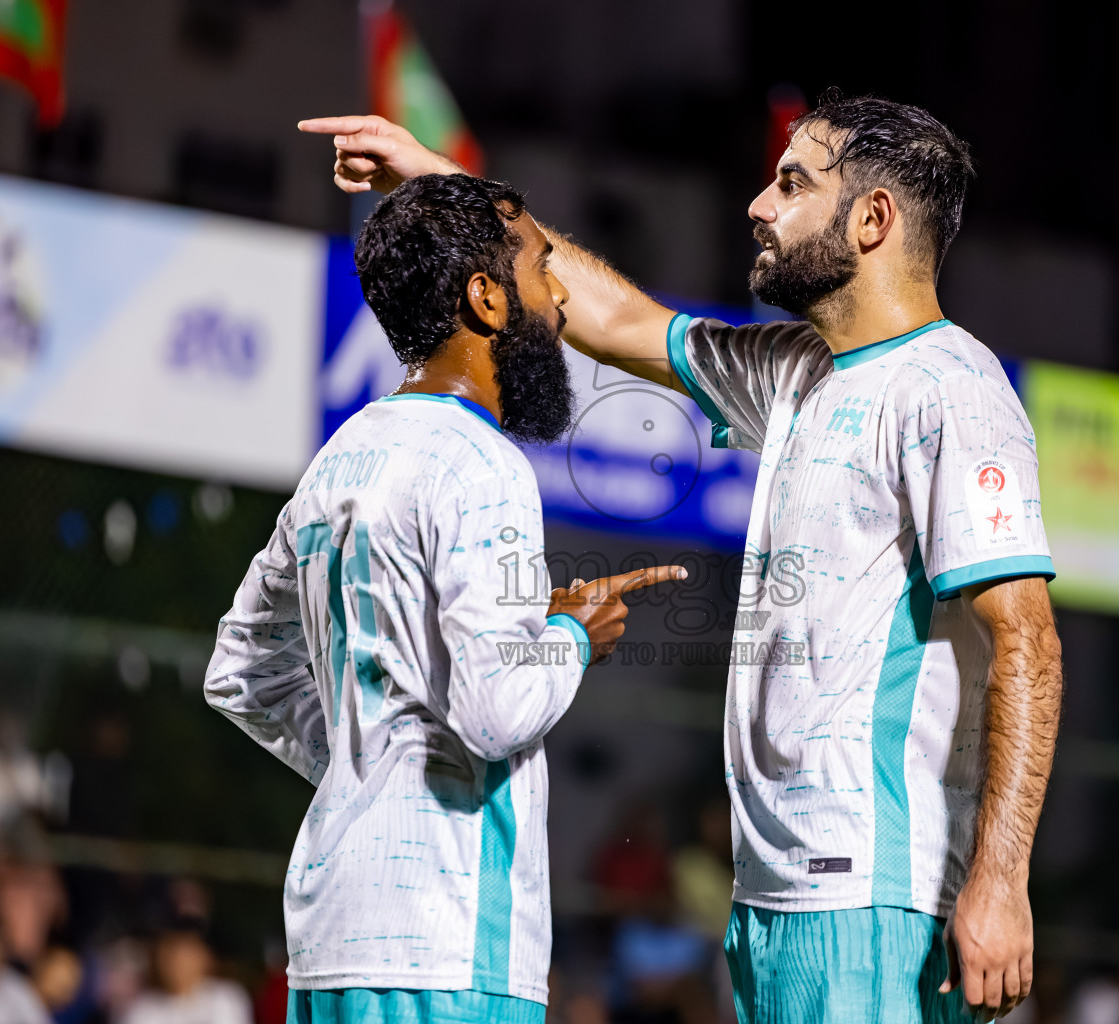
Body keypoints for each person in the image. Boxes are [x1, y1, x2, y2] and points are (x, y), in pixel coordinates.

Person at [303, 88, 1064, 1024]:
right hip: (773, 897)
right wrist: (446, 187)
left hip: (873, 891)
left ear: (873, 219)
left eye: (793, 183)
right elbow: (614, 318)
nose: (759, 205)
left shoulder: (954, 388)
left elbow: (1026, 635)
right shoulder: (794, 371)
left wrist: (1001, 879)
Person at [206, 172, 686, 1024]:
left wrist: (371, 765)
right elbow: (498, 710)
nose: (561, 297)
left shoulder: (343, 454)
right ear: (487, 297)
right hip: (446, 943)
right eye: (542, 268)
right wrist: (571, 635)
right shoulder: (482, 463)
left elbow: (240, 672)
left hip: (329, 943)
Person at [117, 920, 250, 1024]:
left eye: (184, 955)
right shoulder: (141, 1010)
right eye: (169, 955)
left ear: (205, 957)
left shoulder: (227, 998)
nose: (177, 964)